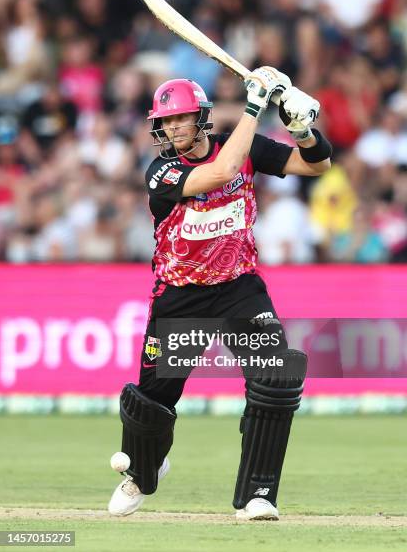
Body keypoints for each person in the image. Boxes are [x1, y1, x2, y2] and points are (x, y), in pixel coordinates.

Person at [108, 67, 332, 520]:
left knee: (276, 377)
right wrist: (257, 103)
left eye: (181, 120)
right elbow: (222, 171)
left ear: (202, 118)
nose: (172, 129)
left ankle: (258, 495)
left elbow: (317, 165)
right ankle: (144, 473)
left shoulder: (243, 145)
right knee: (152, 403)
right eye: (165, 123)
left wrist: (303, 129)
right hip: (180, 295)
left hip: (238, 289)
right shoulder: (162, 171)